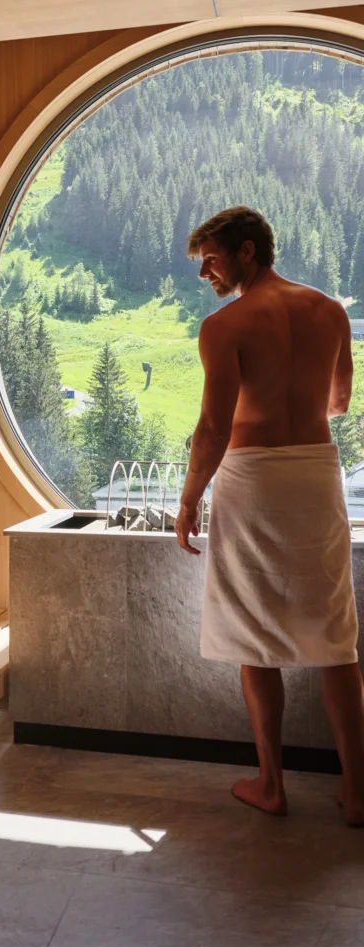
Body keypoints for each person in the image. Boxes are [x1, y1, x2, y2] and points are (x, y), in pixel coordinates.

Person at [175, 206, 364, 827]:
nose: (205, 272)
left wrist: (187, 498)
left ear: (247, 251)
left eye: (211, 259)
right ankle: (358, 793)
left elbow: (211, 429)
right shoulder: (329, 311)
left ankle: (271, 784)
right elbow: (339, 401)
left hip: (252, 477)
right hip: (313, 472)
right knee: (337, 637)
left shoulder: (225, 327)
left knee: (256, 634)